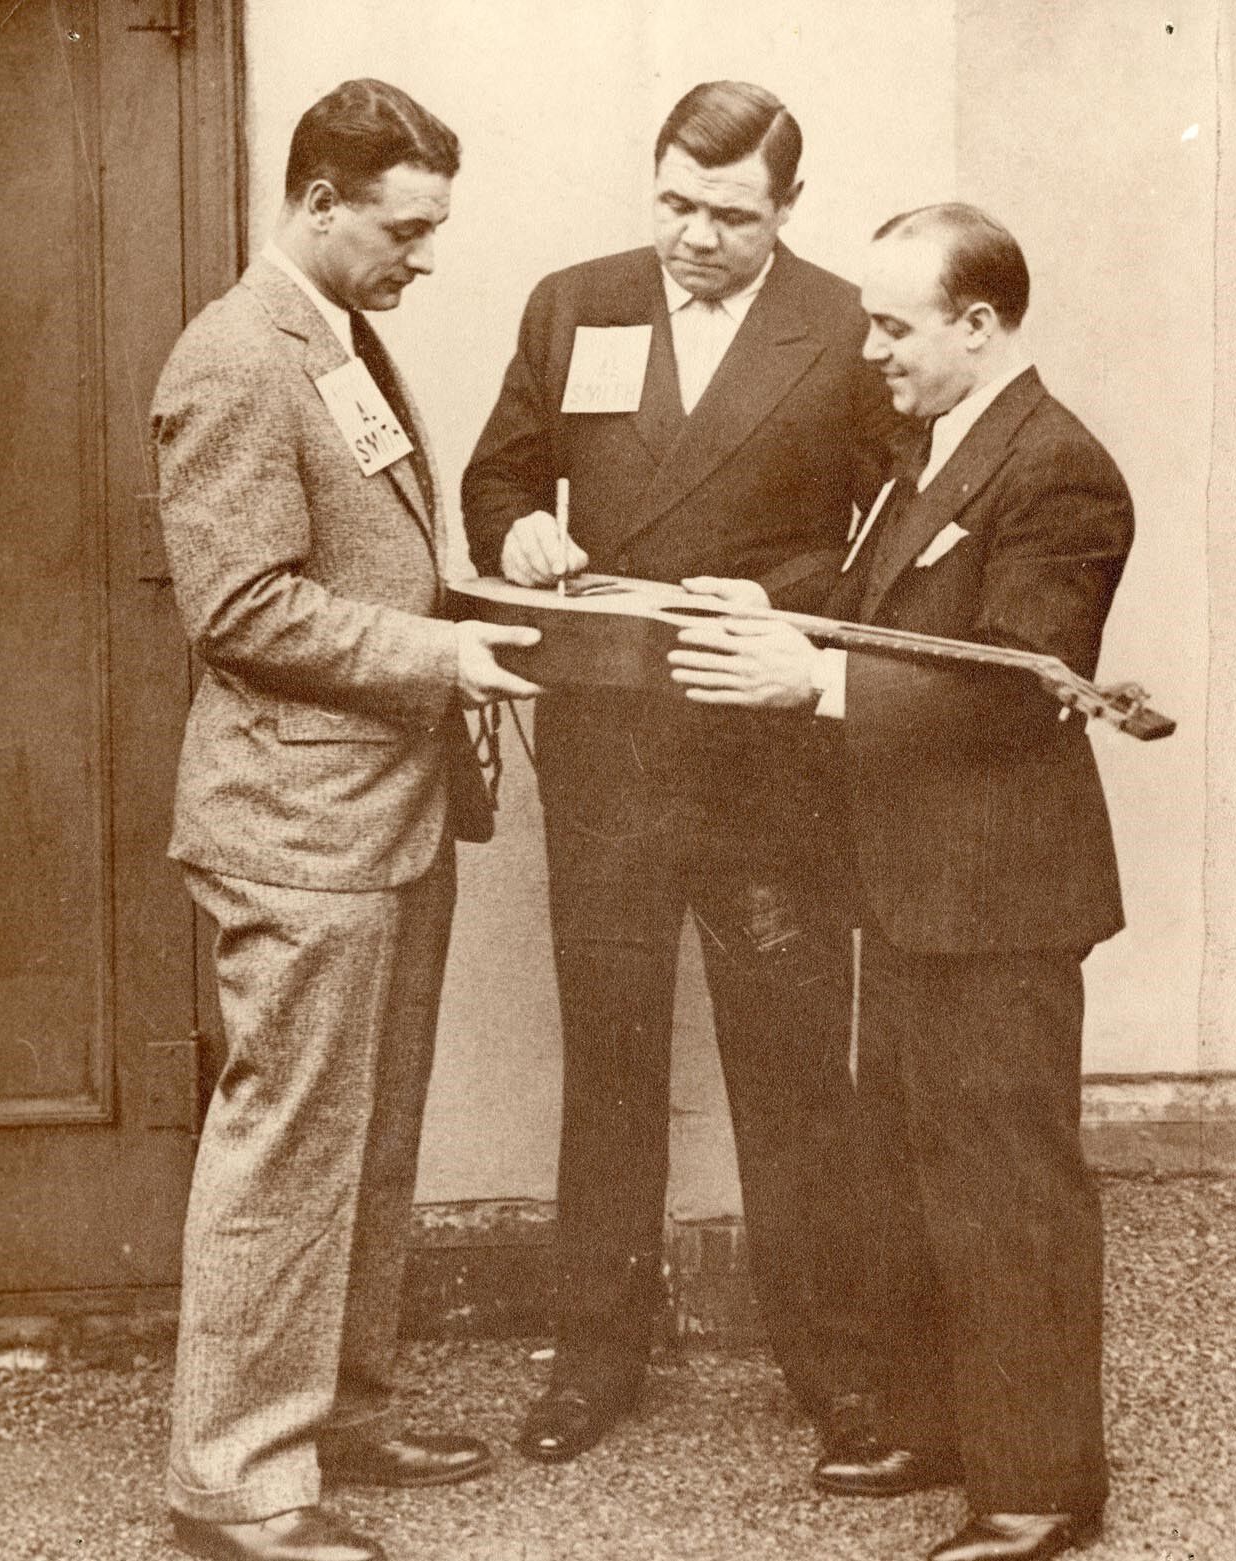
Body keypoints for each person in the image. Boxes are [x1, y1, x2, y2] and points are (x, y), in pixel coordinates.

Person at [669, 202, 1131, 1561]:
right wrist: (783, 607)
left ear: (976, 326)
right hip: (917, 883)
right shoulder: (944, 445)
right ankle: (945, 1426)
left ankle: (1042, 1484)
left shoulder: (1057, 469)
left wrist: (811, 678)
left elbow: (1013, 677)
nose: (866, 347)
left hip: (997, 896)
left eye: (892, 323)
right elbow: (891, 590)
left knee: (1005, 1180)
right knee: (920, 1169)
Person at [462, 80, 896, 1465]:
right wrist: (524, 526)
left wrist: (785, 601)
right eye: (673, 203)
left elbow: (899, 539)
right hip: (608, 749)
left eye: (728, 214)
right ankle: (594, 1355)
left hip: (766, 748)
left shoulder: (842, 323)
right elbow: (493, 477)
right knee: (610, 1056)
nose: (692, 237)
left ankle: (833, 1366)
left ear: (787, 209)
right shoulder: (569, 299)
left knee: (788, 1068)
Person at [152, 80, 540, 1561]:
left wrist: (492, 605)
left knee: (363, 1142)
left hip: (386, 812)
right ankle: (235, 1487)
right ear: (319, 201)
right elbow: (239, 607)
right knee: (289, 1151)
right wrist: (442, 653)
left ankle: (338, 1406)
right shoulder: (240, 357)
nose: (421, 258)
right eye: (404, 228)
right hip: (299, 829)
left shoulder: (339, 338)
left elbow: (373, 565)